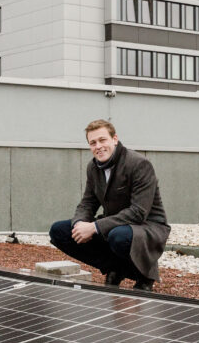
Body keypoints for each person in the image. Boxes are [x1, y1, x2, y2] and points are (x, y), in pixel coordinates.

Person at [49, 119, 170, 291]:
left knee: (119, 237)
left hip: (146, 227)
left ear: (115, 139)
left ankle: (144, 277)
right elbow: (87, 203)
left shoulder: (139, 164)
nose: (98, 146)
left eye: (102, 140)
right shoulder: (93, 167)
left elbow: (138, 212)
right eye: (93, 143)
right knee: (59, 231)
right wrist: (79, 224)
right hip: (113, 224)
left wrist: (95, 227)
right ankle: (116, 268)